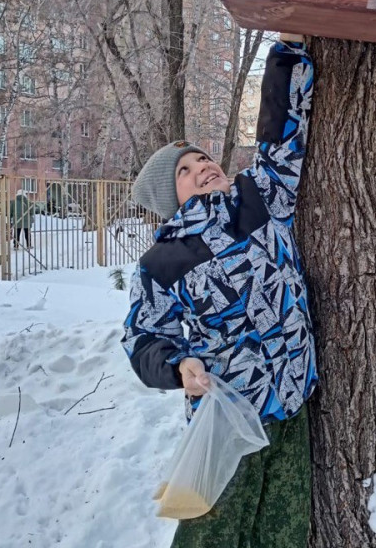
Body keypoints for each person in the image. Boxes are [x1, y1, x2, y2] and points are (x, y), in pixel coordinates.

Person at [122, 34, 317, 548]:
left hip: (292, 404)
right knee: (212, 535)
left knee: (285, 535)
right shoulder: (163, 262)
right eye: (184, 172)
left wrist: (286, 55)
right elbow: (142, 337)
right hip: (229, 417)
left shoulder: (259, 198)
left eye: (202, 157)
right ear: (172, 199)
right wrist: (176, 366)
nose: (201, 166)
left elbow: (281, 137)